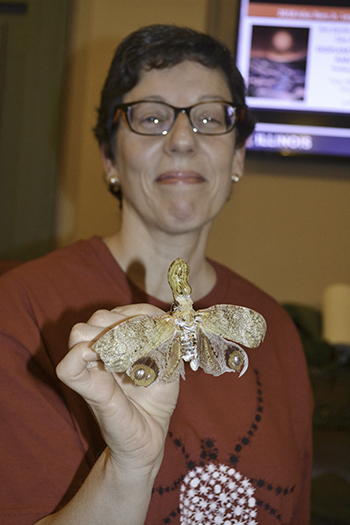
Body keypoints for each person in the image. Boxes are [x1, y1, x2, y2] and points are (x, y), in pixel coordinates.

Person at [0, 25, 313, 525]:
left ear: (237, 157)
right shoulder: (24, 309)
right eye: (151, 118)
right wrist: (128, 468)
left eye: (211, 118)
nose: (184, 140)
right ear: (110, 158)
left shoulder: (272, 329)